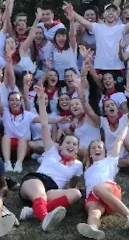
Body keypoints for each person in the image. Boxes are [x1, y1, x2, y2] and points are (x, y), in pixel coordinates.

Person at [17, 89, 83, 232]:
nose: (71, 146)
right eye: (68, 142)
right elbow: (44, 125)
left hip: (53, 190)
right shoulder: (51, 151)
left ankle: (33, 211)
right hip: (36, 180)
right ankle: (45, 218)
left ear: (77, 150)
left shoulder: (78, 165)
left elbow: (73, 184)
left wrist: (71, 190)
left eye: (74, 144)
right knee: (40, 194)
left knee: (76, 194)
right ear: (61, 145)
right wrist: (41, 101)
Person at [76, 123, 129, 240]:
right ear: (90, 154)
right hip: (92, 196)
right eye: (93, 148)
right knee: (93, 212)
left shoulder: (110, 160)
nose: (97, 149)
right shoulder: (87, 168)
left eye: (99, 147)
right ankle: (93, 229)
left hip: (107, 189)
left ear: (105, 151)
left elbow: (119, 140)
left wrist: (126, 126)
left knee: (98, 188)